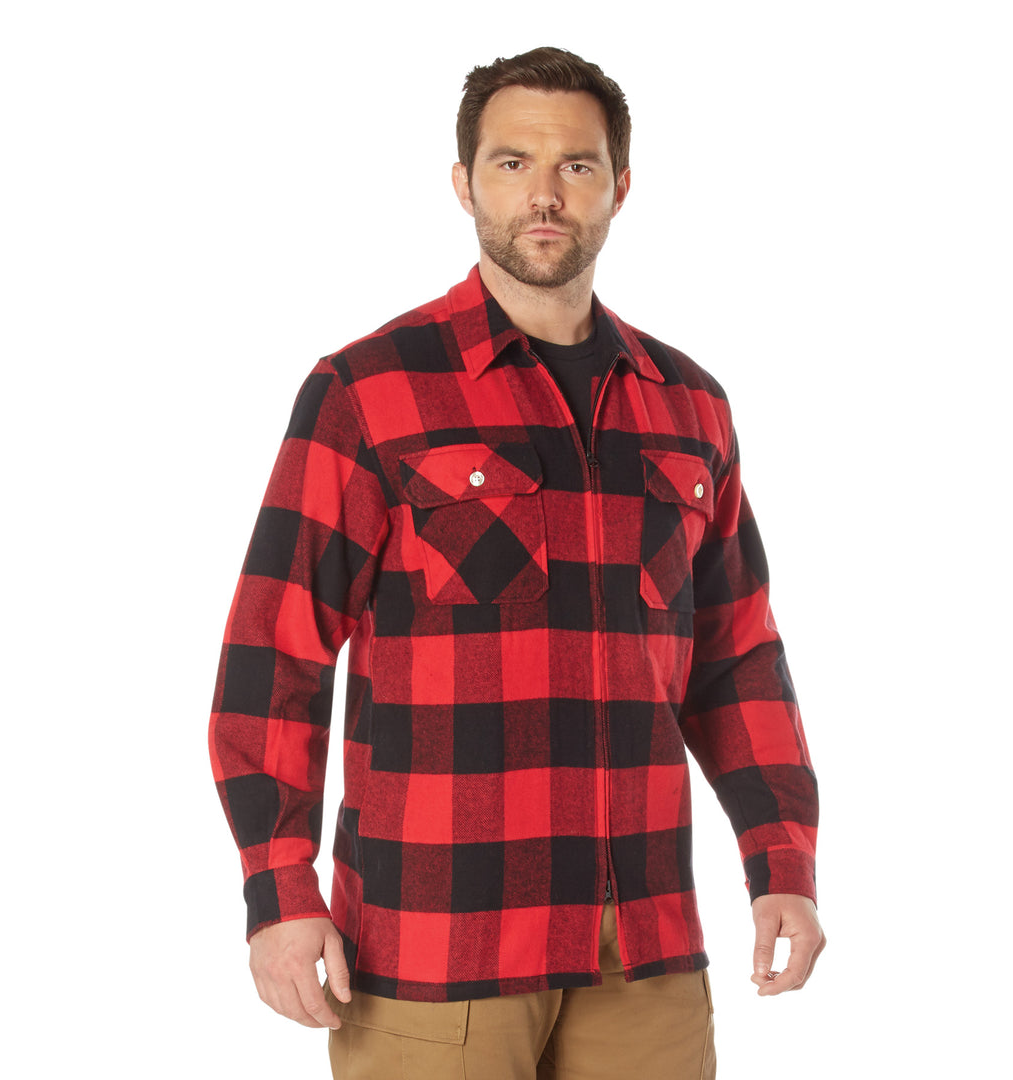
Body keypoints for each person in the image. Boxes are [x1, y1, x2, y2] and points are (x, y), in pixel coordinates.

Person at [209, 45, 824, 1079]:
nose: (545, 194)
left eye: (576, 165)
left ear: (620, 186)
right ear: (464, 183)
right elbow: (276, 653)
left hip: (645, 952)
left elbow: (736, 658)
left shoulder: (690, 405)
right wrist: (279, 893)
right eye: (511, 163)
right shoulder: (368, 391)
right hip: (435, 945)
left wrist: (783, 861)